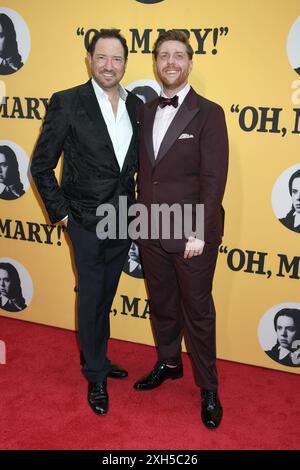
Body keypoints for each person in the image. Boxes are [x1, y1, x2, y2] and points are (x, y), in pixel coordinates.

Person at [31, 29, 142, 416]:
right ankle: (95, 374)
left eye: (117, 59)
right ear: (89, 60)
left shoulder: (136, 104)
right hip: (84, 220)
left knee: (105, 298)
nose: (109, 66)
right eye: (102, 57)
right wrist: (61, 213)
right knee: (92, 296)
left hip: (122, 220)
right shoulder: (67, 102)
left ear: (125, 63)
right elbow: (41, 165)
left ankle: (96, 356)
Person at [134, 30, 229, 430]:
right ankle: (169, 362)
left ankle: (208, 387)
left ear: (190, 62)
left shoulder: (210, 112)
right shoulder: (145, 109)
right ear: (155, 63)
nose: (170, 62)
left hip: (191, 233)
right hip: (150, 229)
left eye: (178, 56)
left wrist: (199, 231)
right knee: (163, 306)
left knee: (198, 313)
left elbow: (213, 178)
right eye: (163, 56)